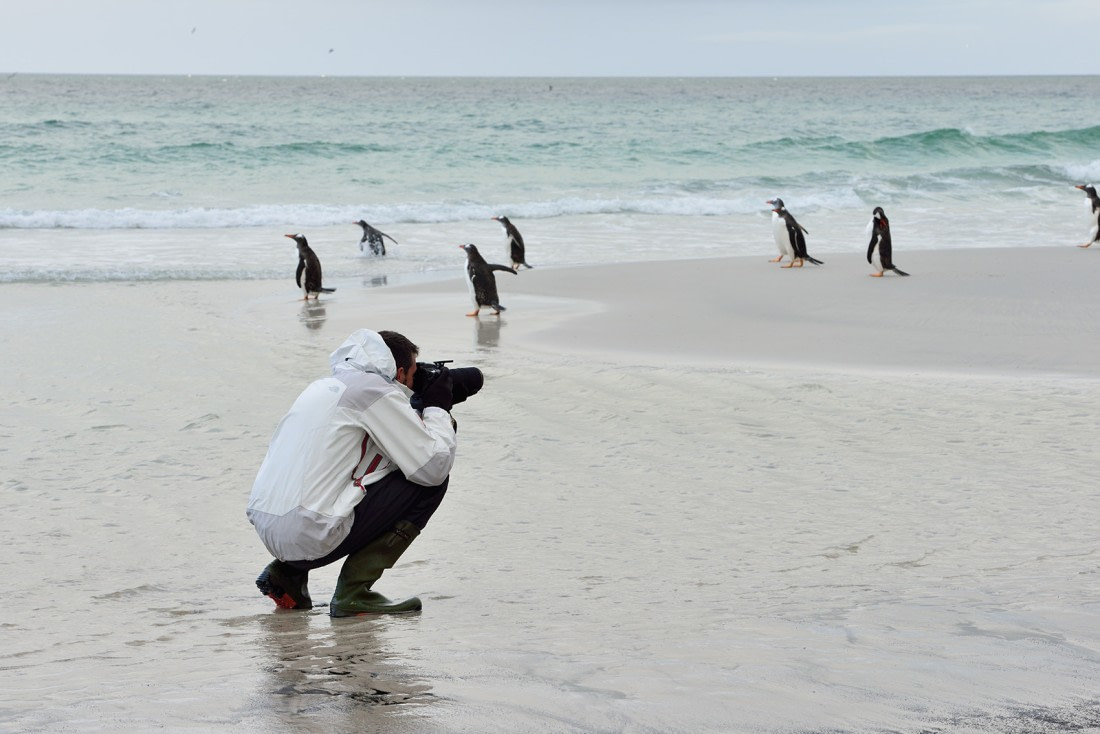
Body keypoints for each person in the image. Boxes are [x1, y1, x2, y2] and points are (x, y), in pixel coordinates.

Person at [246, 328, 456, 616]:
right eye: (412, 376)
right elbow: (433, 466)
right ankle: (354, 592)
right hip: (310, 534)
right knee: (430, 483)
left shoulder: (324, 386)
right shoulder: (374, 391)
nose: (412, 384)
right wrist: (437, 408)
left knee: (364, 467)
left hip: (269, 527)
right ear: (399, 370)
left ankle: (286, 575)